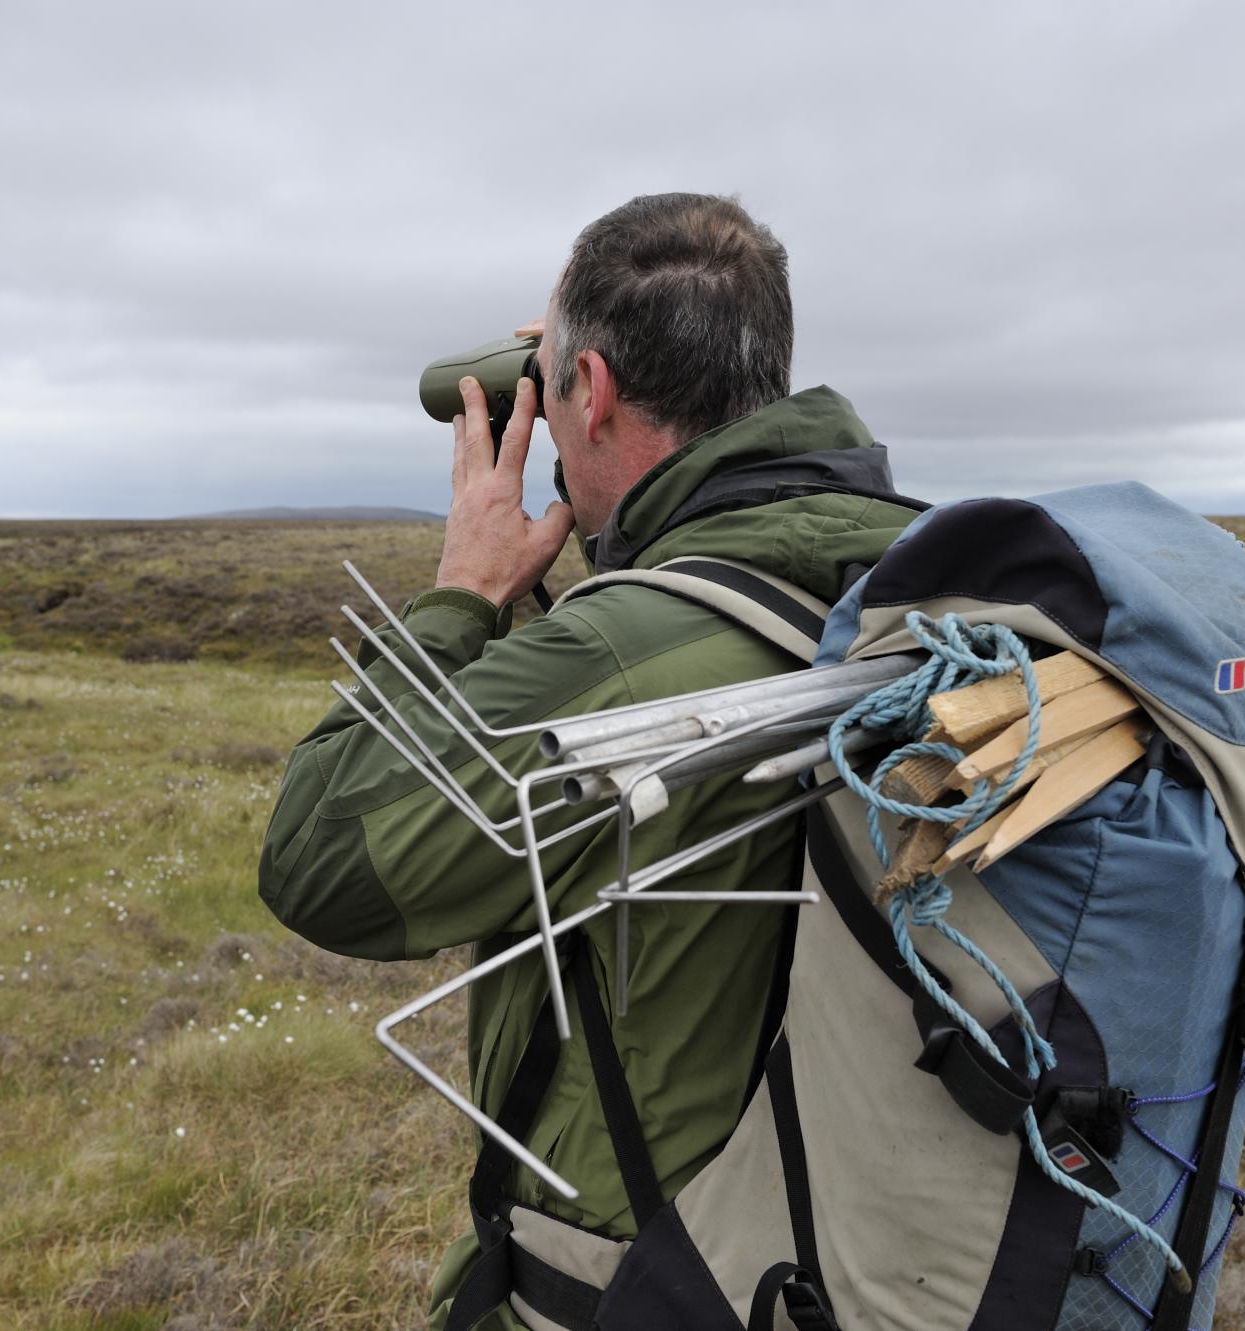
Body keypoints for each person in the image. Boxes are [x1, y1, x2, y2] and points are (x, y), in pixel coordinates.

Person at [258, 193, 921, 1329]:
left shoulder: (617, 654)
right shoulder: (899, 576)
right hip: (853, 1269)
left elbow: (320, 861)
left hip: (635, 1290)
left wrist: (462, 593)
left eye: (562, 391)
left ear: (595, 391)